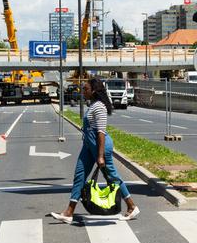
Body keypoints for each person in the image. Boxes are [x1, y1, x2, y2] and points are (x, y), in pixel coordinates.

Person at [50, 77, 139, 223]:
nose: (83, 91)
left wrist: (100, 156)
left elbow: (101, 133)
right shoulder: (93, 105)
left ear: (94, 91)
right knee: (79, 175)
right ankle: (69, 212)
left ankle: (131, 206)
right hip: (89, 146)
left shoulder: (99, 107)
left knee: (113, 177)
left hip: (100, 147)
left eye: (85, 89)